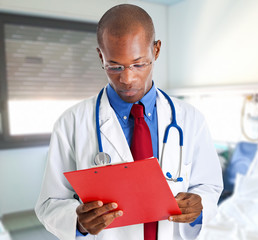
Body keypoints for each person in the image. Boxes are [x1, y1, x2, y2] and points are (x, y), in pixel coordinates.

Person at [35, 4, 223, 240]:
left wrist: (198, 206)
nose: (127, 78)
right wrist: (78, 222)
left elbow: (209, 186)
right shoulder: (71, 123)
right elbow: (49, 203)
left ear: (156, 50)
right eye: (114, 66)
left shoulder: (191, 119)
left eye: (138, 64)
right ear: (100, 56)